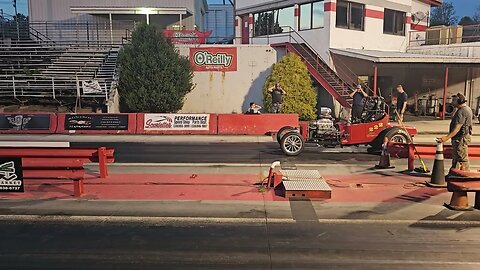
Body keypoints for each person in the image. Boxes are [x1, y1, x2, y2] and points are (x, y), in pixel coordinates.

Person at [437, 93, 473, 170]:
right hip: (459, 138)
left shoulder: (462, 111)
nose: (452, 102)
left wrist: (446, 138)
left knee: (461, 158)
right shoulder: (465, 109)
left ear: (459, 101)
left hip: (460, 138)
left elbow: (458, 127)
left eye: (454, 100)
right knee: (456, 158)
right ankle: (454, 173)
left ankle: (465, 175)